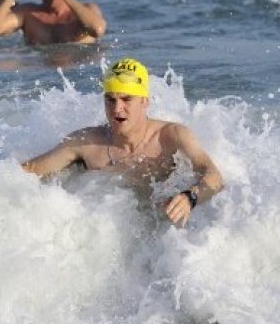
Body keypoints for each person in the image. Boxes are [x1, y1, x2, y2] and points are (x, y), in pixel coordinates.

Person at [23, 58, 224, 227]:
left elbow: (213, 175)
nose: (117, 109)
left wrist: (191, 197)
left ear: (145, 102)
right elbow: (28, 172)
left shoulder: (172, 136)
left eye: (126, 99)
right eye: (110, 100)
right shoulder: (86, 143)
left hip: (166, 231)